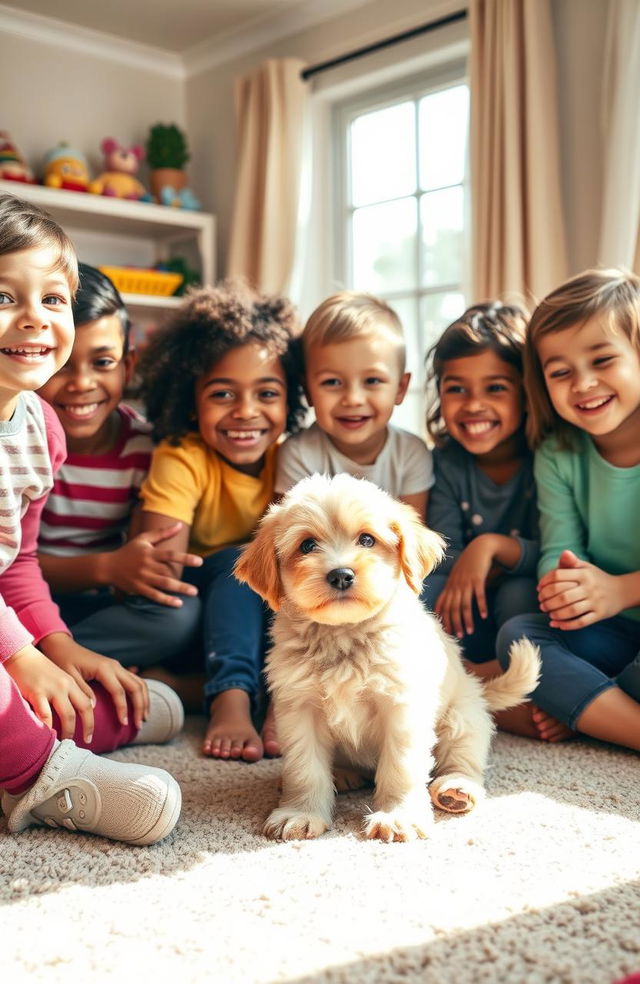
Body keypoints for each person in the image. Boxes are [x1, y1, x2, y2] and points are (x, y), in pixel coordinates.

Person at [0, 192, 181, 844]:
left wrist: (62, 650)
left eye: (52, 300)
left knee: (62, 679)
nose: (33, 320)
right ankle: (34, 775)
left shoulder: (40, 427)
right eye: (4, 298)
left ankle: (95, 719)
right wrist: (21, 653)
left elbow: (16, 562)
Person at [134, 282, 306, 762]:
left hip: (272, 627)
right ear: (191, 401)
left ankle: (198, 690)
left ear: (290, 400)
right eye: (222, 394)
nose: (246, 411)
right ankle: (230, 699)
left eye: (266, 393)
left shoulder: (293, 459)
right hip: (195, 622)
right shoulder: (182, 457)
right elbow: (161, 571)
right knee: (239, 564)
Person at [497, 269, 640, 749]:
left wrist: (619, 589)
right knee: (519, 638)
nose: (583, 383)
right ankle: (621, 718)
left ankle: (588, 706)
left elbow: (615, 592)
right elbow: (558, 549)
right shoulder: (558, 454)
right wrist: (563, 588)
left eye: (602, 360)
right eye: (560, 372)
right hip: (609, 632)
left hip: (621, 608)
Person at [37, 263, 202, 672]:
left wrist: (134, 570)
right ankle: (63, 671)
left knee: (177, 614)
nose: (81, 383)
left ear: (128, 367)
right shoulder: (20, 440)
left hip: (96, 610)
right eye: (61, 364)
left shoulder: (145, 448)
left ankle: (56, 670)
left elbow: (146, 565)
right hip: (22, 601)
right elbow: (10, 569)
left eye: (102, 363)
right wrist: (107, 567)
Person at [421, 303, 539, 670]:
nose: (474, 405)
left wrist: (490, 548)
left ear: (526, 393)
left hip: (522, 606)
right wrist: (474, 563)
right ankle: (473, 677)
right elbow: (443, 551)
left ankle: (508, 680)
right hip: (466, 607)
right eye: (457, 389)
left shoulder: (547, 459)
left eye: (495, 388)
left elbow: (555, 550)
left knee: (523, 592)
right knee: (421, 593)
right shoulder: (444, 463)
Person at [274, 290, 433, 515]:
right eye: (332, 382)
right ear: (307, 391)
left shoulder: (411, 453)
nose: (353, 399)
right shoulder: (298, 455)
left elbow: (411, 540)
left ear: (400, 388)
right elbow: (292, 538)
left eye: (372, 380)